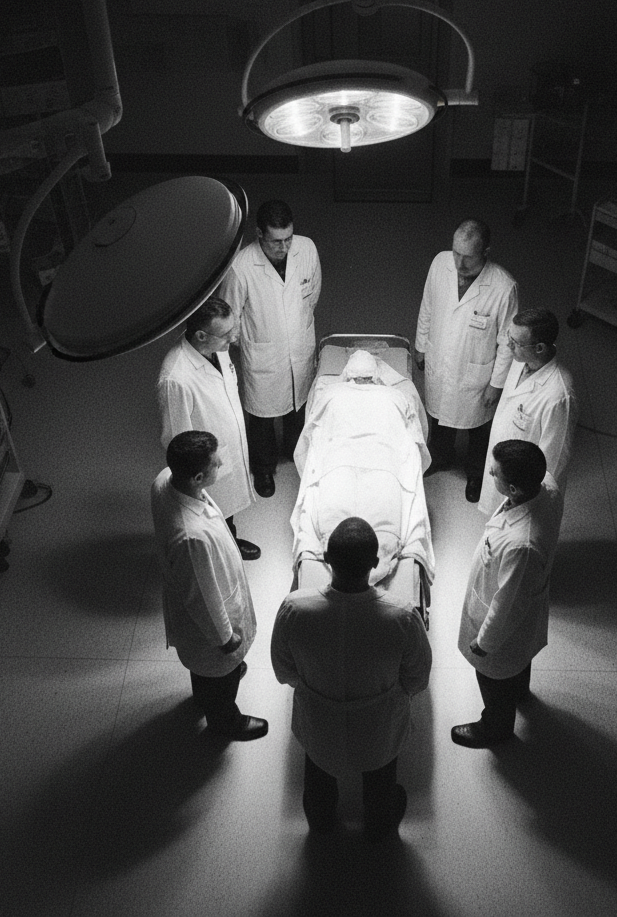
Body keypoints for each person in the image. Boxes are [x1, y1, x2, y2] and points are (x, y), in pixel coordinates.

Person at [271, 517, 432, 840]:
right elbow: (417, 678)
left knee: (318, 774)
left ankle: (320, 823)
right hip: (379, 725)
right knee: (381, 779)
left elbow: (284, 670)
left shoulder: (294, 608)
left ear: (326, 560)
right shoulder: (401, 616)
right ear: (375, 563)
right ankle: (380, 825)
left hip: (319, 722)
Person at [151, 431, 267, 741]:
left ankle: (206, 692)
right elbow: (201, 598)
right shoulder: (191, 538)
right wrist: (226, 639)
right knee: (220, 669)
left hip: (199, 604)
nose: (221, 463)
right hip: (210, 627)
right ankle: (225, 721)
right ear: (199, 477)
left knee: (207, 672)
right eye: (216, 463)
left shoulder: (166, 479)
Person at [452, 439, 563, 748]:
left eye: (495, 472)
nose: (489, 471)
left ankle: (496, 727)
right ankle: (519, 692)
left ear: (513, 489)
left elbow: (507, 605)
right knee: (518, 658)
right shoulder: (547, 487)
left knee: (492, 676)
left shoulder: (521, 546)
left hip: (503, 628)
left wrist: (484, 643)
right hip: (524, 611)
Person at [219, 199, 322, 499]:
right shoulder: (241, 267)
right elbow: (230, 316)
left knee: (298, 406)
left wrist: (294, 327)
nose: (284, 247)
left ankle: (294, 449)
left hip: (300, 346)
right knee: (262, 419)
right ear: (259, 235)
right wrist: (253, 340)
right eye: (276, 241)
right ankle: (263, 468)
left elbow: (312, 293)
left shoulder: (307, 249)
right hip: (263, 354)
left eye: (288, 238)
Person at [414, 218, 518, 503]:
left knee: (478, 428)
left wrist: (496, 385)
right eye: (456, 253)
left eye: (468, 257)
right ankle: (440, 457)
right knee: (439, 415)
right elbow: (428, 304)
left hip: (477, 373)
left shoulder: (503, 288)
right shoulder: (440, 263)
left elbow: (507, 344)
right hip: (441, 358)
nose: (459, 264)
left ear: (486, 252)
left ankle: (475, 474)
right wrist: (421, 344)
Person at [157, 297, 260, 560]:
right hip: (204, 464)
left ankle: (230, 541)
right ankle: (221, 551)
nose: (232, 340)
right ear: (201, 335)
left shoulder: (216, 350)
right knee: (213, 512)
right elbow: (176, 440)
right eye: (226, 335)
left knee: (226, 509)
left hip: (225, 449)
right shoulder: (176, 379)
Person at [478, 307, 578, 516]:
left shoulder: (558, 396)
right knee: (496, 522)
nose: (508, 345)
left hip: (523, 490)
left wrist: (526, 501)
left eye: (516, 342)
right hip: (504, 467)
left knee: (514, 532)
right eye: (509, 336)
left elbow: (554, 460)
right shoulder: (521, 361)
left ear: (539, 348)